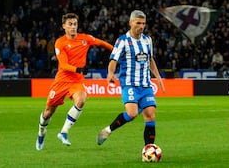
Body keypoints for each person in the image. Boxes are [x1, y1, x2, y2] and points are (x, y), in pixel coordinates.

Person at [35, 13, 113, 151]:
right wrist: (79, 69)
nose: (73, 27)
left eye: (75, 24)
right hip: (62, 81)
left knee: (81, 99)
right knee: (48, 112)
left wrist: (115, 51)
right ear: (64, 26)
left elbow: (101, 43)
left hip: (76, 81)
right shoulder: (60, 42)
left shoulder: (85, 39)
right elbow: (64, 65)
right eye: (70, 24)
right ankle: (41, 132)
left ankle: (64, 132)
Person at [97, 10, 165, 147]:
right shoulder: (123, 41)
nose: (141, 26)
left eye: (143, 23)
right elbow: (113, 60)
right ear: (130, 23)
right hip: (130, 84)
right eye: (138, 23)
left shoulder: (147, 40)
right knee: (132, 113)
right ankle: (107, 130)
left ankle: (149, 148)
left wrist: (158, 77)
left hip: (146, 85)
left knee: (150, 115)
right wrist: (110, 73)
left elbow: (150, 59)